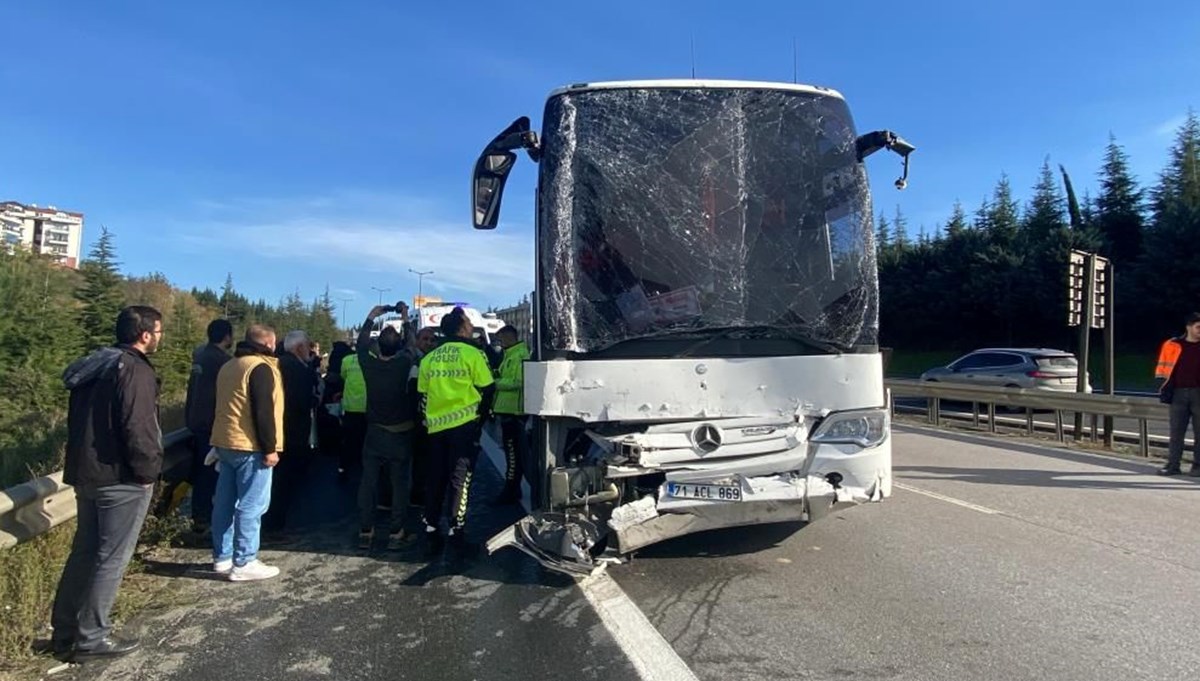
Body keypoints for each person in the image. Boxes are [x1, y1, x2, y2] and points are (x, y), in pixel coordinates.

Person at [50, 306, 164, 662]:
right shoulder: (134, 369)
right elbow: (138, 426)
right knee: (111, 559)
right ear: (144, 334)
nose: (159, 337)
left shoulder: (95, 365)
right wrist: (147, 473)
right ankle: (91, 638)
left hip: (86, 473)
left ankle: (65, 631)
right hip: (121, 477)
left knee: (84, 553)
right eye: (157, 331)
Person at [418, 308, 495, 564]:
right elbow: (487, 388)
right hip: (464, 428)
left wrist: (428, 421)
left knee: (434, 478)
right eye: (469, 323)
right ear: (461, 328)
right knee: (459, 480)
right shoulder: (473, 353)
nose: (472, 326)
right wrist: (480, 420)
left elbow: (422, 396)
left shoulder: (430, 357)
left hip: (435, 428)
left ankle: (430, 531)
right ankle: (456, 532)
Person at [209, 325, 284, 581]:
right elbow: (263, 411)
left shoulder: (229, 366)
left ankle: (223, 556)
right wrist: (270, 448)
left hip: (225, 442)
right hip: (250, 446)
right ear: (268, 343)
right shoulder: (260, 367)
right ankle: (245, 561)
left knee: (225, 503)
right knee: (252, 504)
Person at [356, 305, 419, 550]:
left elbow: (361, 345)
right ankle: (396, 531)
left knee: (368, 482)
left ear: (378, 346)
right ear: (398, 347)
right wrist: (405, 318)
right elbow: (412, 345)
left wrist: (371, 316)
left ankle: (365, 529)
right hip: (401, 431)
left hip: (374, 431)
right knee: (400, 483)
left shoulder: (368, 364)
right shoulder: (402, 363)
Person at [262, 330, 318, 533]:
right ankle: (275, 525)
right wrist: (314, 400)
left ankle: (267, 521)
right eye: (307, 346)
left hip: (273, 430)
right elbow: (302, 400)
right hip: (292, 431)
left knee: (272, 480)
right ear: (299, 347)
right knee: (284, 481)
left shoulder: (275, 364)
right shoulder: (298, 369)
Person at [183, 319, 233, 534]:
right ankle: (204, 517)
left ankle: (199, 514)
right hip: (212, 424)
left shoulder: (200, 356)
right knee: (210, 473)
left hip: (196, 421)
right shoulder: (223, 361)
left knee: (202, 471)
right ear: (227, 337)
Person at [1156, 312, 1200, 476]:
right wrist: (1163, 389)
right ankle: (1173, 465)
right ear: (1188, 327)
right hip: (1178, 393)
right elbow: (1162, 370)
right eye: (1198, 327)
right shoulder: (1172, 345)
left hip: (1198, 393)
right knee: (1176, 432)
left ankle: (1197, 467)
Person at [492, 325, 530, 505]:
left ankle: (511, 490)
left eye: (501, 339)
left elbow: (519, 381)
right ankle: (513, 489)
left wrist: (496, 382)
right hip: (507, 410)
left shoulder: (519, 356)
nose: (499, 343)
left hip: (514, 412)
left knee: (513, 456)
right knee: (511, 454)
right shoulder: (510, 355)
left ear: (509, 337)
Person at [406, 327, 439, 507]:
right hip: (418, 418)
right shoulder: (415, 360)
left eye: (431, 339)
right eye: (425, 339)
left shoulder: (433, 359)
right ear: (418, 340)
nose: (429, 343)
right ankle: (417, 493)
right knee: (419, 458)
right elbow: (412, 392)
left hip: (431, 417)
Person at [339, 346, 368, 479]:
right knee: (365, 440)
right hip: (367, 407)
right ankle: (364, 467)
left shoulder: (347, 360)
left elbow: (343, 376)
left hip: (350, 407)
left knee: (347, 440)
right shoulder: (372, 360)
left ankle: (343, 467)